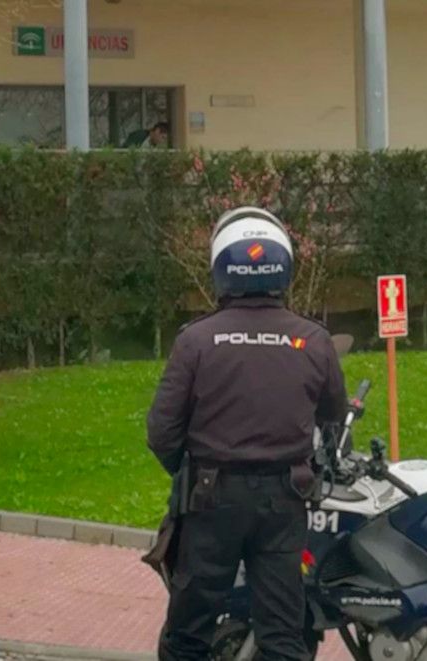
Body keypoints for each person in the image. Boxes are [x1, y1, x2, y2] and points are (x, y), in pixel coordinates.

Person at [147, 206, 347, 660]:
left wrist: (188, 470)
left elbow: (162, 431)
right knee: (282, 631)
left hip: (210, 498)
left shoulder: (196, 341)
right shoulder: (314, 340)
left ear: (221, 267)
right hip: (284, 502)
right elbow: (332, 418)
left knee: (189, 630)